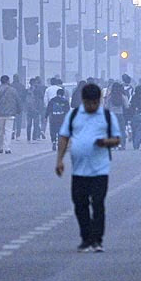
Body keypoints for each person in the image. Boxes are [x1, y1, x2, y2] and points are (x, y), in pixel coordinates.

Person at [55, 82, 121, 252]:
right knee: (79, 204)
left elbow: (117, 139)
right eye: (88, 103)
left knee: (98, 203)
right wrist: (59, 160)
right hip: (79, 170)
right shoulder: (74, 115)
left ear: (99, 100)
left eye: (95, 103)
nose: (92, 106)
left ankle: (97, 239)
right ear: (83, 100)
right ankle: (86, 237)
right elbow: (63, 137)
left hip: (100, 169)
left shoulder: (107, 116)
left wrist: (105, 142)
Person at [0, 75, 19, 154]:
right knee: (8, 130)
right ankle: (7, 148)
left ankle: (0, 147)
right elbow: (17, 100)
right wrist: (19, 110)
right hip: (10, 113)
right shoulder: (13, 90)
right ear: (8, 81)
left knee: (0, 131)